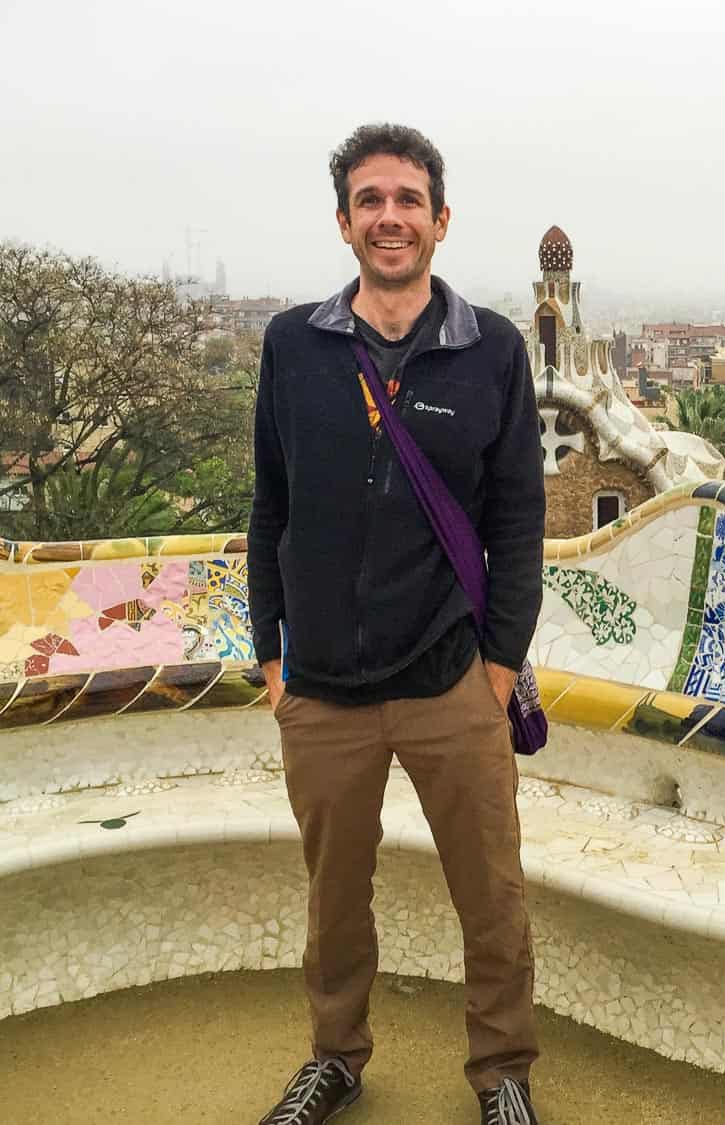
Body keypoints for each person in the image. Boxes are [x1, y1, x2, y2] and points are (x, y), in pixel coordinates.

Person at [248, 123, 546, 1125]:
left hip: (449, 680)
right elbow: (270, 503)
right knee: (335, 901)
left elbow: (517, 518)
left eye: (408, 200)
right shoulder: (295, 346)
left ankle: (502, 1071)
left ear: (440, 221)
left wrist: (498, 670)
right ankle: (335, 1057)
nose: (390, 217)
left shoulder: (491, 351)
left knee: (491, 894)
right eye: (371, 200)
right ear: (345, 222)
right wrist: (270, 654)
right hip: (323, 688)